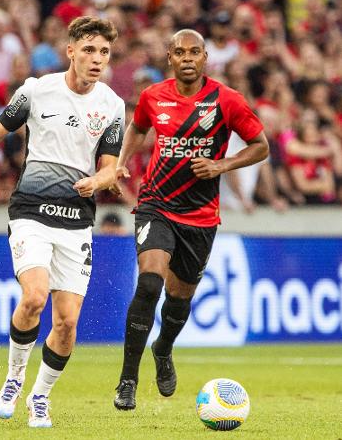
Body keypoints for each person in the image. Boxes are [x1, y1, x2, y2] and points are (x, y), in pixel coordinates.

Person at [0, 16, 123, 428]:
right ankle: (13, 379)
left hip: (77, 221)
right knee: (35, 297)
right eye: (90, 50)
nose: (98, 59)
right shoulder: (37, 91)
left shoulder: (112, 106)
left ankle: (39, 397)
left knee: (67, 321)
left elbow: (112, 168)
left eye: (105, 52)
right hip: (32, 213)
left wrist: (98, 179)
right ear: (71, 51)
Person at [111, 29, 269, 410]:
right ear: (169, 57)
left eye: (194, 52)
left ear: (204, 58)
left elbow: (261, 145)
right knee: (149, 284)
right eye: (179, 52)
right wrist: (119, 164)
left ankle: (163, 348)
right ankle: (127, 382)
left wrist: (221, 165)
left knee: (178, 300)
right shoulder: (153, 96)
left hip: (200, 216)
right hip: (156, 204)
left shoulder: (226, 101)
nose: (186, 58)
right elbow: (137, 127)